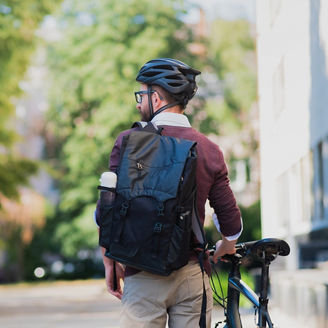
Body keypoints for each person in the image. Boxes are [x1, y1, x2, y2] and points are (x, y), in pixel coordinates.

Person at [99, 58, 242, 327]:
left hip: (141, 273)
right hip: (191, 274)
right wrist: (227, 245)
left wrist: (110, 260)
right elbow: (231, 222)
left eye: (142, 94)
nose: (139, 102)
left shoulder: (128, 142)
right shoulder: (209, 148)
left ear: (156, 98)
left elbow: (107, 211)